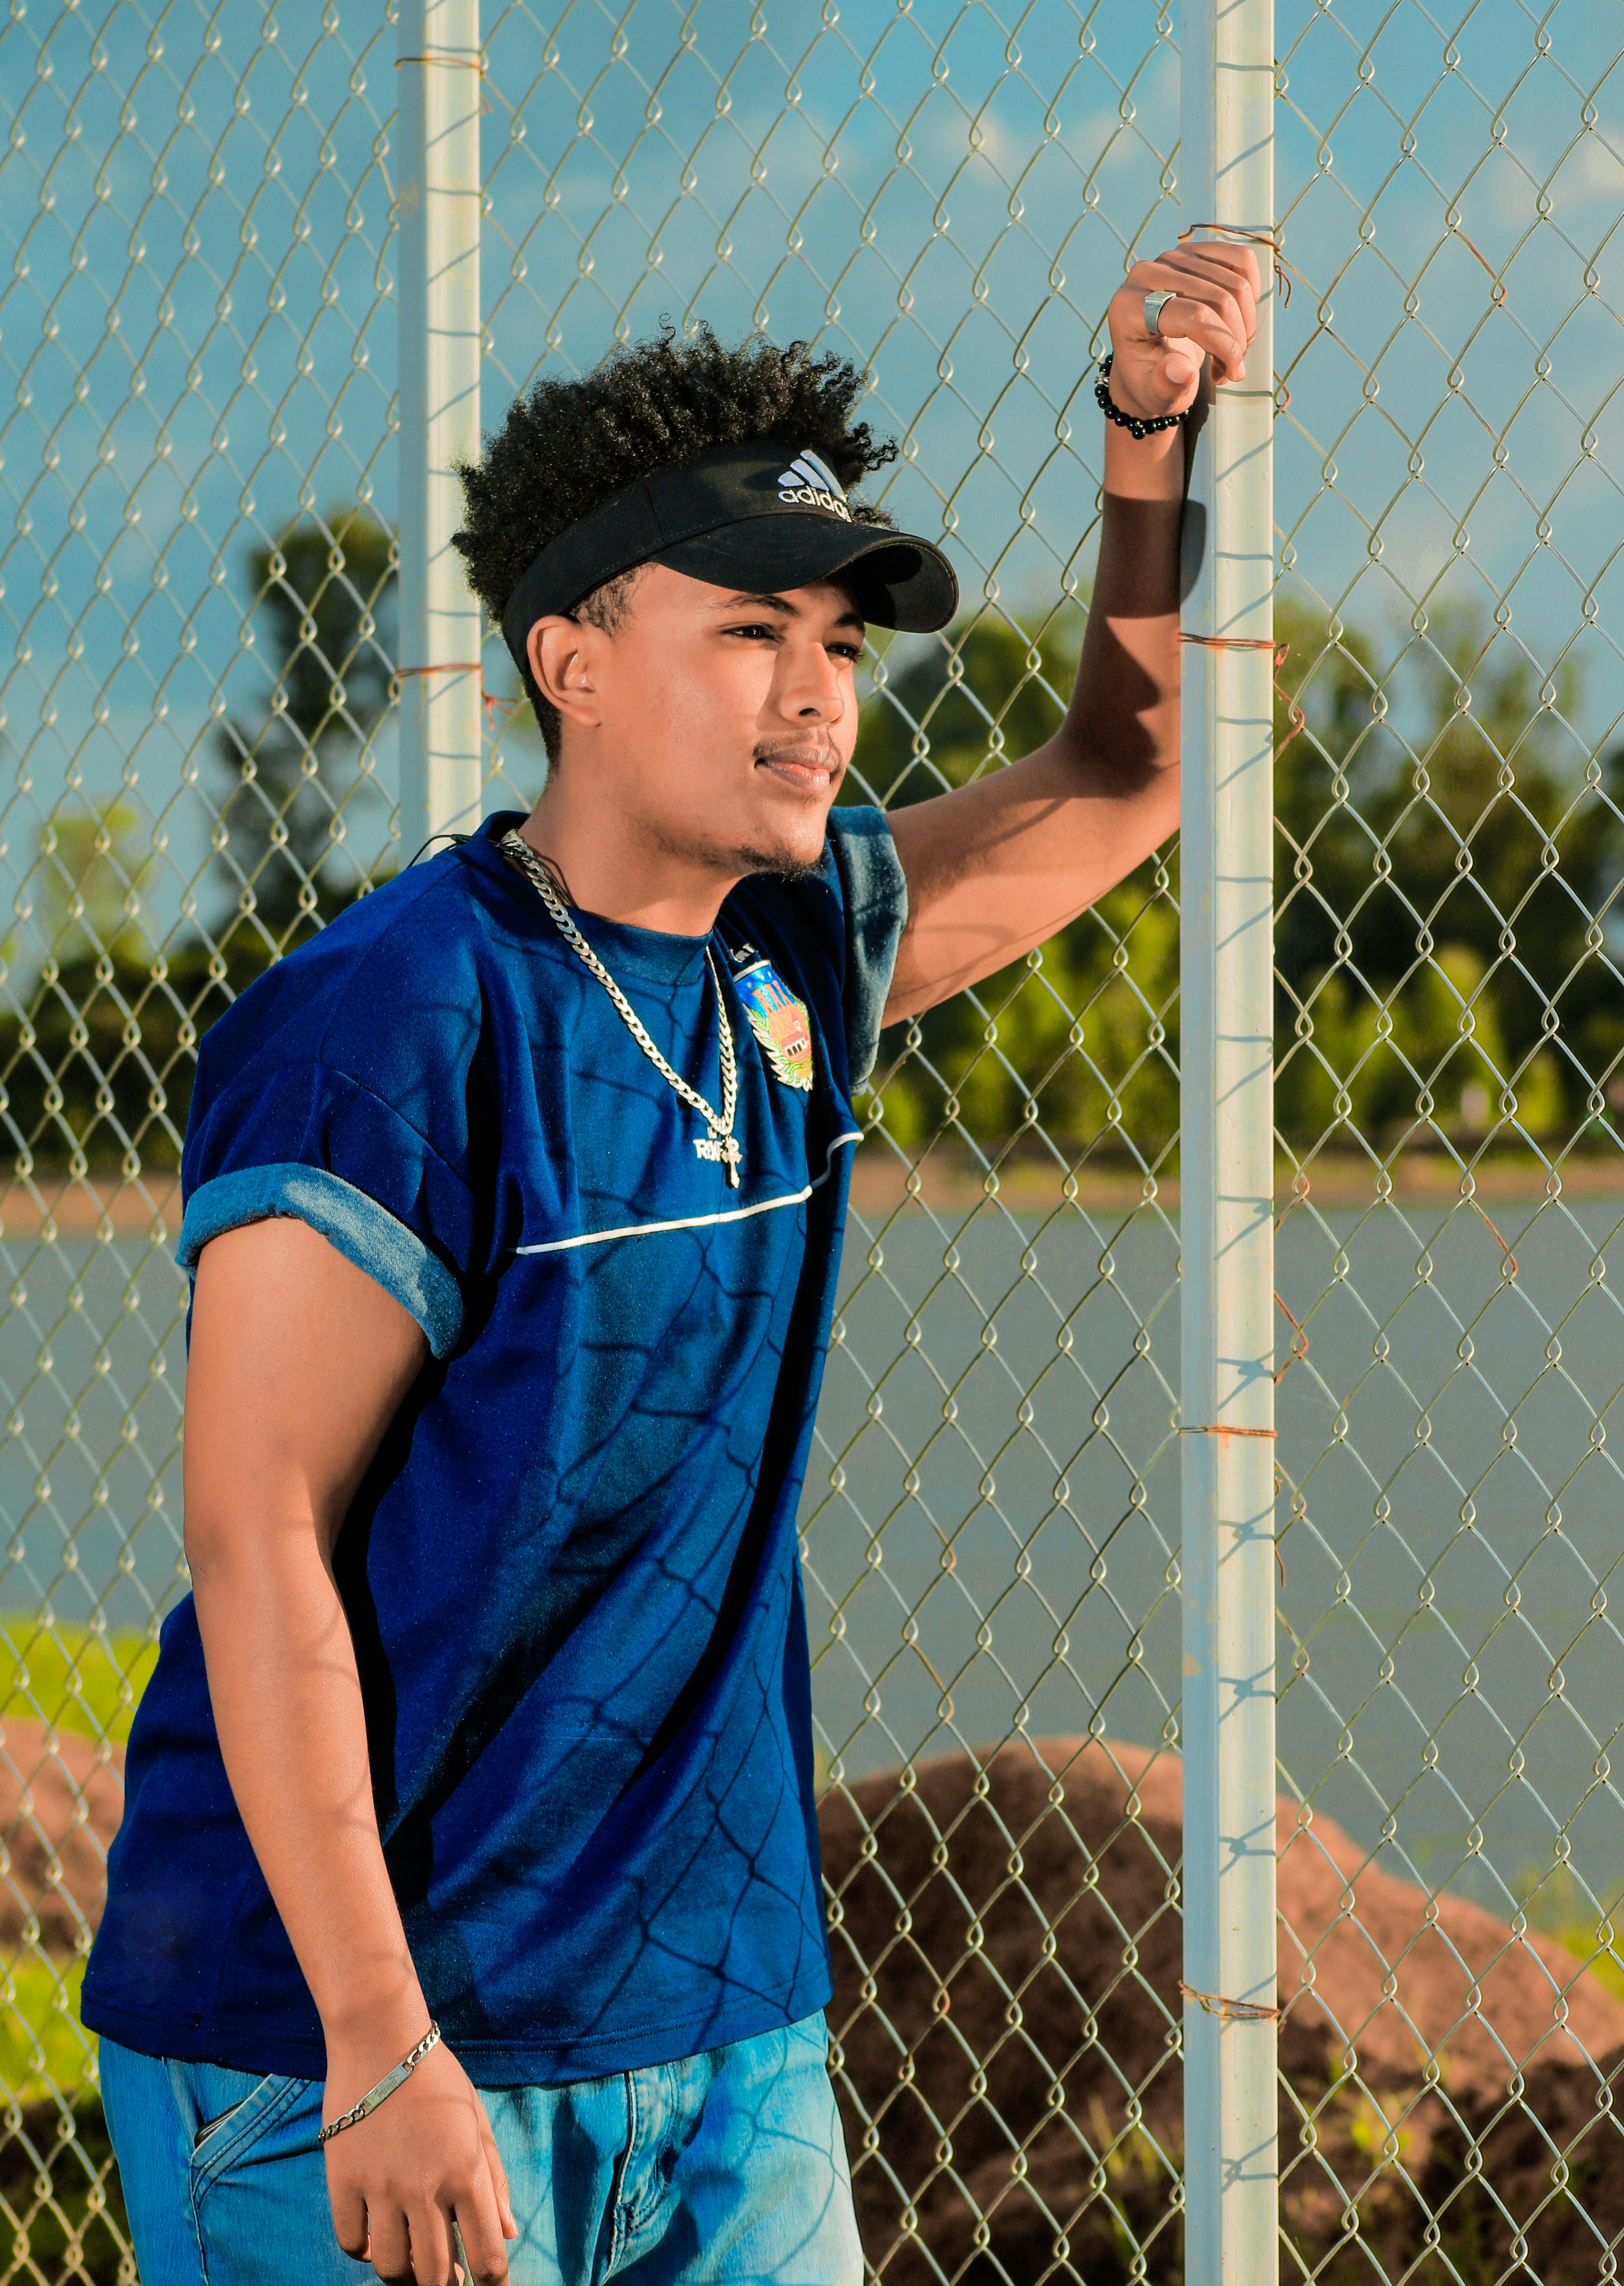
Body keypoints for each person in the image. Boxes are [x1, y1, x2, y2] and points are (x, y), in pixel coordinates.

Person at [82, 241, 1259, 2286]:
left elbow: (1120, 777)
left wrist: (1148, 445)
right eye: (747, 632)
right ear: (574, 661)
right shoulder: (392, 1025)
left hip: (719, 2023)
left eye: (836, 642)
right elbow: (256, 1525)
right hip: (341, 2044)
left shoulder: (793, 950)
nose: (816, 691)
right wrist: (376, 2041)